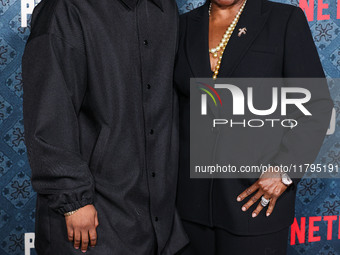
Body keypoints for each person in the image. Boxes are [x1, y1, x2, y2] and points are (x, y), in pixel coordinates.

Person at [22, 0, 188, 254]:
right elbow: (49, 111)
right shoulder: (65, 8)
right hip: (93, 216)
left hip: (157, 222)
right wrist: (73, 200)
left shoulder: (164, 8)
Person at [174, 0, 333, 254]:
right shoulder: (182, 25)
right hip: (190, 211)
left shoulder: (283, 20)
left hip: (255, 204)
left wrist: (284, 171)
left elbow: (316, 106)